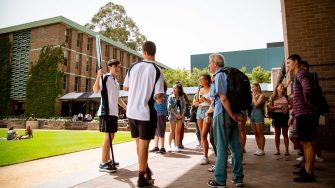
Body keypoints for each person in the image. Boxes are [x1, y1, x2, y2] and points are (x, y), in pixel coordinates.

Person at [123, 41, 164, 188]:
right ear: (154, 52)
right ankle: (141, 178)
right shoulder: (157, 70)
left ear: (144, 52)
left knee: (139, 143)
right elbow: (159, 97)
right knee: (144, 145)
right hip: (145, 113)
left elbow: (125, 87)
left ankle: (145, 169)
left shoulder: (133, 66)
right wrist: (159, 99)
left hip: (131, 112)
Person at [207, 53, 243, 187]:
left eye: (210, 63)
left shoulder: (219, 75)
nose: (209, 65)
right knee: (235, 146)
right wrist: (233, 114)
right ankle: (238, 177)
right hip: (230, 114)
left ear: (215, 63)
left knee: (221, 147)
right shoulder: (226, 75)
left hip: (223, 114)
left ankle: (220, 180)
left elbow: (222, 98)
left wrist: (231, 114)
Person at [93, 59, 127, 173]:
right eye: (116, 66)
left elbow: (117, 98)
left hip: (113, 113)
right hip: (105, 112)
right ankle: (103, 163)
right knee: (108, 137)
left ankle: (108, 160)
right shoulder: (105, 78)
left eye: (119, 67)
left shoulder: (116, 82)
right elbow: (96, 90)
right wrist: (98, 76)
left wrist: (127, 107)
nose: (118, 69)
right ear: (110, 67)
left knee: (111, 137)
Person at [287, 54, 316, 182]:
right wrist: (293, 114)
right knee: (304, 143)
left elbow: (308, 89)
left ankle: (309, 173)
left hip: (305, 114)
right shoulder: (297, 75)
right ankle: (306, 169)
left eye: (289, 63)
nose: (287, 66)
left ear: (296, 62)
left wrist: (308, 105)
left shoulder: (300, 74)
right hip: (301, 114)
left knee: (307, 143)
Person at [301, 60, 324, 162]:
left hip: (310, 110)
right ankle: (308, 155)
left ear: (306, 68)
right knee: (307, 135)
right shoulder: (305, 77)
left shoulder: (308, 77)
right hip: (307, 109)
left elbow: (308, 93)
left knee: (313, 133)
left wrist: (310, 105)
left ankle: (317, 155)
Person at [268, 83, 292, 156]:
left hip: (284, 116)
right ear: (277, 88)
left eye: (282, 86)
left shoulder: (286, 96)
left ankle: (287, 151)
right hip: (276, 116)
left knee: (285, 134)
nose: (282, 87)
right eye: (280, 86)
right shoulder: (273, 97)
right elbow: (269, 107)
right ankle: (277, 150)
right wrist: (277, 107)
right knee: (277, 134)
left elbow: (292, 106)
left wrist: (287, 108)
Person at [193, 74, 212, 165]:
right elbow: (196, 103)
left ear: (207, 80)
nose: (200, 81)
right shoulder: (199, 90)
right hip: (200, 111)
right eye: (199, 79)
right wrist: (197, 102)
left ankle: (218, 154)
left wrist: (205, 99)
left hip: (208, 111)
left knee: (205, 134)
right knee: (202, 134)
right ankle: (205, 156)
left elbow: (214, 103)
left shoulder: (212, 89)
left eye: (202, 79)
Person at [149, 81, 168, 154]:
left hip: (160, 114)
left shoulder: (161, 94)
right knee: (156, 131)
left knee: (160, 130)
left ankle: (162, 147)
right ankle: (156, 146)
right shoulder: (164, 94)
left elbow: (158, 101)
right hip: (157, 114)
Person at [167, 82, 186, 152]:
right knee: (172, 131)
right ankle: (169, 146)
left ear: (178, 89)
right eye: (173, 88)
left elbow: (184, 106)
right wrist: (176, 114)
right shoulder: (170, 97)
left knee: (177, 132)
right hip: (173, 117)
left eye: (175, 88)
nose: (174, 89)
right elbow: (169, 107)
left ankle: (176, 146)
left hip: (180, 117)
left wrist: (182, 115)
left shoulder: (182, 97)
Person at [250, 82, 266, 156]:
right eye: (252, 87)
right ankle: (259, 149)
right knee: (255, 133)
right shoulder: (253, 95)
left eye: (253, 87)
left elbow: (256, 104)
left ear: (258, 87)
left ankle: (262, 150)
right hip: (253, 113)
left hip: (259, 113)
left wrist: (253, 95)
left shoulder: (262, 95)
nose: (252, 88)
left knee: (260, 133)